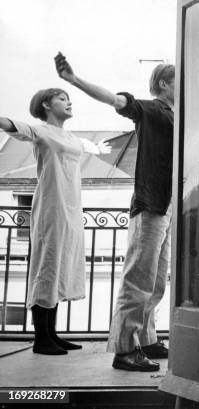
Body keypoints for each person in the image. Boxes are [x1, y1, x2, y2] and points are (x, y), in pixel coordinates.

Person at [55, 52, 174, 371]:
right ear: (164, 84)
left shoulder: (179, 115)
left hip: (166, 208)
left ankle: (146, 340)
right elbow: (115, 100)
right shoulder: (151, 109)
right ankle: (124, 351)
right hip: (150, 205)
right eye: (179, 81)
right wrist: (74, 80)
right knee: (139, 279)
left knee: (157, 282)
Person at [0, 89, 110, 355]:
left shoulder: (70, 136)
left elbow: (88, 148)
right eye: (62, 98)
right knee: (48, 266)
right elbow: (10, 125)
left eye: (69, 98)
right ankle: (41, 339)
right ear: (46, 104)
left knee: (61, 266)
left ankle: (51, 334)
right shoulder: (40, 131)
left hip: (71, 208)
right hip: (51, 205)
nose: (69, 102)